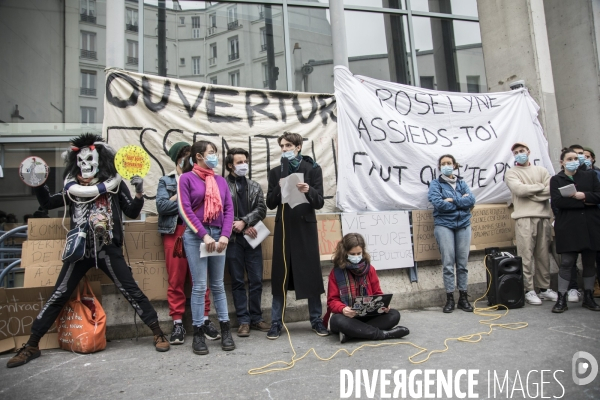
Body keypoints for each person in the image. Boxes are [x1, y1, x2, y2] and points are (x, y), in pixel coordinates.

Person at [7, 134, 170, 369]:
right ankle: (32, 344)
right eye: (81, 161)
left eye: (91, 160)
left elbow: (132, 212)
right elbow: (48, 203)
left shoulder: (113, 185)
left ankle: (157, 332)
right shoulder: (72, 189)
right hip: (79, 250)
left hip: (107, 248)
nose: (86, 165)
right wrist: (39, 183)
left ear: (100, 160)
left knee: (130, 289)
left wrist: (138, 192)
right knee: (59, 294)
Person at [265, 131, 328, 339]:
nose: (284, 149)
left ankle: (316, 320)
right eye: (282, 146)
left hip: (305, 228)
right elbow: (270, 203)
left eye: (288, 146)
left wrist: (308, 190)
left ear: (298, 147)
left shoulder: (312, 169)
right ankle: (276, 322)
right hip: (284, 228)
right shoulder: (276, 172)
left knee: (310, 274)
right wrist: (280, 186)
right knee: (280, 276)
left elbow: (319, 202)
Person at [156, 142, 220, 345]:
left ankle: (204, 321)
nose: (189, 159)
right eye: (185, 156)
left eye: (191, 155)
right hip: (175, 233)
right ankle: (177, 323)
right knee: (176, 279)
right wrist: (181, 198)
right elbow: (162, 206)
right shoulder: (166, 181)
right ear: (178, 159)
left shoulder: (203, 179)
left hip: (200, 233)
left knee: (201, 280)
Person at [178, 140, 235, 354]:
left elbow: (229, 209)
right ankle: (198, 334)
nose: (215, 157)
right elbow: (185, 210)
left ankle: (226, 330)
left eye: (215, 153)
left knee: (219, 285)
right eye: (211, 153)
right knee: (200, 286)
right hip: (196, 237)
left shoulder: (219, 181)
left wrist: (225, 235)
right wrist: (203, 234)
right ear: (199, 156)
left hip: (219, 236)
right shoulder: (186, 179)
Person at [324, 233, 409, 343]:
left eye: (359, 253)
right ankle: (383, 334)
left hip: (367, 316)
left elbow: (378, 293)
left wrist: (384, 305)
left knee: (394, 315)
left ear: (363, 252)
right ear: (345, 253)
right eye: (352, 254)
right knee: (337, 320)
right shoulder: (336, 272)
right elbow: (332, 301)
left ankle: (351, 334)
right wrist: (343, 309)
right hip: (347, 317)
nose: (356, 256)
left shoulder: (370, 269)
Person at [224, 148, 270, 337]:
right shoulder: (222, 185)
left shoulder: (255, 186)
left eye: (245, 161)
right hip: (233, 240)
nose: (244, 165)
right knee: (236, 281)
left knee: (256, 280)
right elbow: (220, 210)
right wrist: (241, 224)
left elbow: (262, 209)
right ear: (230, 165)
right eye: (239, 162)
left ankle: (256, 318)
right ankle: (243, 321)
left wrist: (246, 221)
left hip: (253, 238)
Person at [505, 142, 557, 305]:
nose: (520, 153)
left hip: (543, 217)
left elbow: (551, 190)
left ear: (528, 151)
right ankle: (529, 289)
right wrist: (540, 188)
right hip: (523, 218)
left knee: (543, 255)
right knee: (525, 255)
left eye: (522, 150)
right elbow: (520, 191)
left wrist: (532, 192)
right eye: (516, 152)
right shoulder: (511, 173)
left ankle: (544, 288)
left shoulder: (541, 170)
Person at [549, 147, 600, 312]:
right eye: (569, 159)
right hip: (568, 226)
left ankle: (588, 296)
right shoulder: (557, 179)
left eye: (575, 159)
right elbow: (559, 202)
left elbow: (598, 196)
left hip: (589, 225)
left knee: (589, 262)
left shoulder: (590, 175)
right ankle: (562, 297)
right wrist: (586, 201)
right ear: (562, 162)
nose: (573, 162)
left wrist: (583, 196)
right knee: (566, 262)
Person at [428, 154, 476, 313]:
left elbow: (471, 201)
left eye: (449, 163)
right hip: (444, 225)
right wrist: (461, 201)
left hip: (463, 225)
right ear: (439, 167)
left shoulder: (461, 183)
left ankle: (463, 297)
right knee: (448, 263)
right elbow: (438, 204)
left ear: (455, 165)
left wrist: (452, 200)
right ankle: (450, 298)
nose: (446, 165)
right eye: (443, 163)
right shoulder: (435, 184)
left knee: (462, 263)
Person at [582, 147, 600, 297]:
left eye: (587, 156)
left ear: (593, 158)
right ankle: (593, 285)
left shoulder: (597, 174)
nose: (585, 159)